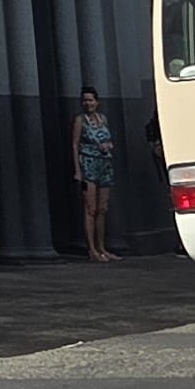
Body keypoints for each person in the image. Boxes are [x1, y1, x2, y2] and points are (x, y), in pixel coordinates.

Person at [72, 85, 119, 263]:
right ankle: (91, 249)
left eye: (91, 100)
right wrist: (77, 169)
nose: (88, 103)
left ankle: (102, 247)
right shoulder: (80, 121)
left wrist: (108, 146)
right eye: (85, 100)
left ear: (96, 102)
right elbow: (75, 144)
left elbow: (107, 138)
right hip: (88, 165)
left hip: (104, 164)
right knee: (90, 208)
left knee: (102, 207)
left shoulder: (103, 119)